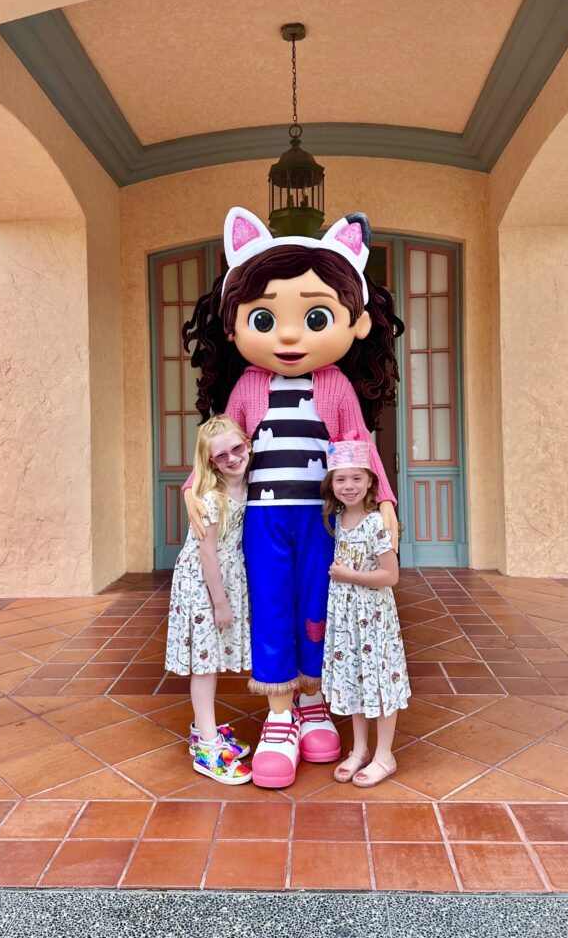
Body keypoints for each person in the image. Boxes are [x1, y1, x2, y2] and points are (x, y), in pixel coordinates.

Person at [182, 206, 403, 788]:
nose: (287, 333)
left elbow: (359, 446)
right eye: (264, 316)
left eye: (314, 315)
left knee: (317, 606)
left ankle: (312, 703)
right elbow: (221, 441)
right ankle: (279, 715)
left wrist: (384, 503)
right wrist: (193, 490)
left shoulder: (335, 387)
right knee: (272, 604)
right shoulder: (250, 387)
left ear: (353, 323)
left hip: (321, 520)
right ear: (235, 325)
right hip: (264, 520)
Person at [164, 415, 253, 785]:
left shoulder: (246, 484)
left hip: (223, 578)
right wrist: (220, 602)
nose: (233, 458)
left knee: (212, 659)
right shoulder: (212, 499)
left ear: (248, 444)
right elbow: (207, 555)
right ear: (210, 462)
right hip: (203, 584)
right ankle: (207, 747)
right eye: (222, 456)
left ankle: (206, 731)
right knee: (204, 663)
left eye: (238, 448)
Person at [319, 436, 410, 787]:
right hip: (347, 620)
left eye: (357, 478)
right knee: (356, 679)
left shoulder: (375, 523)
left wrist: (348, 575)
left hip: (374, 618)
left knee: (381, 681)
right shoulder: (339, 519)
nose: (349, 486)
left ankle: (385, 754)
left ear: (370, 481)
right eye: (341, 479)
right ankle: (359, 749)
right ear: (332, 484)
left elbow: (391, 575)